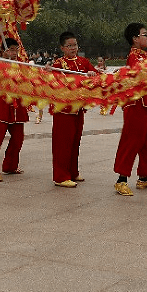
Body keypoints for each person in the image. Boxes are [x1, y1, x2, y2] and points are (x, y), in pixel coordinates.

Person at [113, 22, 147, 196]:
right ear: (135, 39)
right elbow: (143, 74)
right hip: (136, 105)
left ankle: (143, 177)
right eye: (144, 34)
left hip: (145, 105)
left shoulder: (145, 56)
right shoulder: (135, 56)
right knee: (131, 141)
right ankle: (121, 180)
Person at [50, 31, 98, 188]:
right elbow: (52, 83)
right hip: (63, 110)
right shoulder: (58, 64)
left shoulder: (83, 62)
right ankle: (60, 176)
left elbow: (95, 76)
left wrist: (91, 74)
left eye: (75, 45)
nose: (73, 48)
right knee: (62, 143)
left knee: (75, 142)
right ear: (62, 48)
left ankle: (73, 171)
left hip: (78, 109)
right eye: (69, 46)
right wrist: (48, 72)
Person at [0, 38, 30, 181]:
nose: (14, 52)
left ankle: (10, 165)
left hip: (18, 104)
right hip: (3, 104)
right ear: (2, 51)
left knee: (18, 138)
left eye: (16, 49)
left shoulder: (20, 65)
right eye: (10, 49)